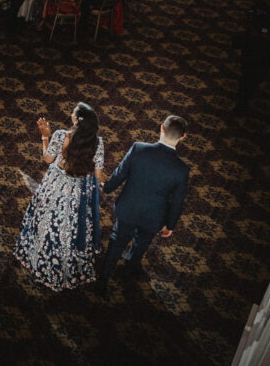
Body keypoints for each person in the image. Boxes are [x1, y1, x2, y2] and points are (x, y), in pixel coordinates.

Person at [14, 103, 107, 291]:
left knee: (46, 220)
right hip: (78, 192)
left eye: (73, 112)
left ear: (76, 120)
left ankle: (40, 259)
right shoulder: (97, 143)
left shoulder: (60, 136)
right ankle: (68, 265)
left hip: (55, 185)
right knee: (73, 226)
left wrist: (44, 136)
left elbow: (48, 159)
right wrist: (109, 181)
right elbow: (99, 176)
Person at [98, 115, 191, 292]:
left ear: (161, 128)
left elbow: (119, 174)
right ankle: (129, 270)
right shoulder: (182, 169)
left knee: (117, 240)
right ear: (183, 137)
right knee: (142, 243)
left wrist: (107, 187)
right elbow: (177, 201)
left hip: (128, 208)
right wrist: (169, 225)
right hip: (154, 216)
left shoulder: (138, 149)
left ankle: (104, 277)